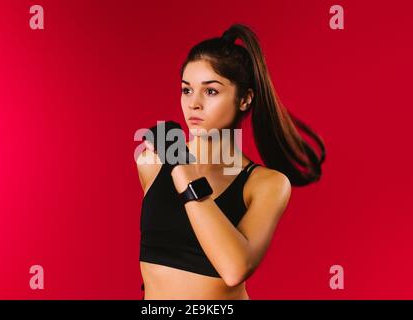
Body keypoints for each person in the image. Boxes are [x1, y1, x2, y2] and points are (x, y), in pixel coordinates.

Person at [135, 23, 326, 300]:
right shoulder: (151, 163)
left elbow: (234, 268)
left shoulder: (267, 184)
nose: (194, 104)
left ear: (245, 99)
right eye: (187, 90)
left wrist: (182, 171)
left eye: (211, 91)